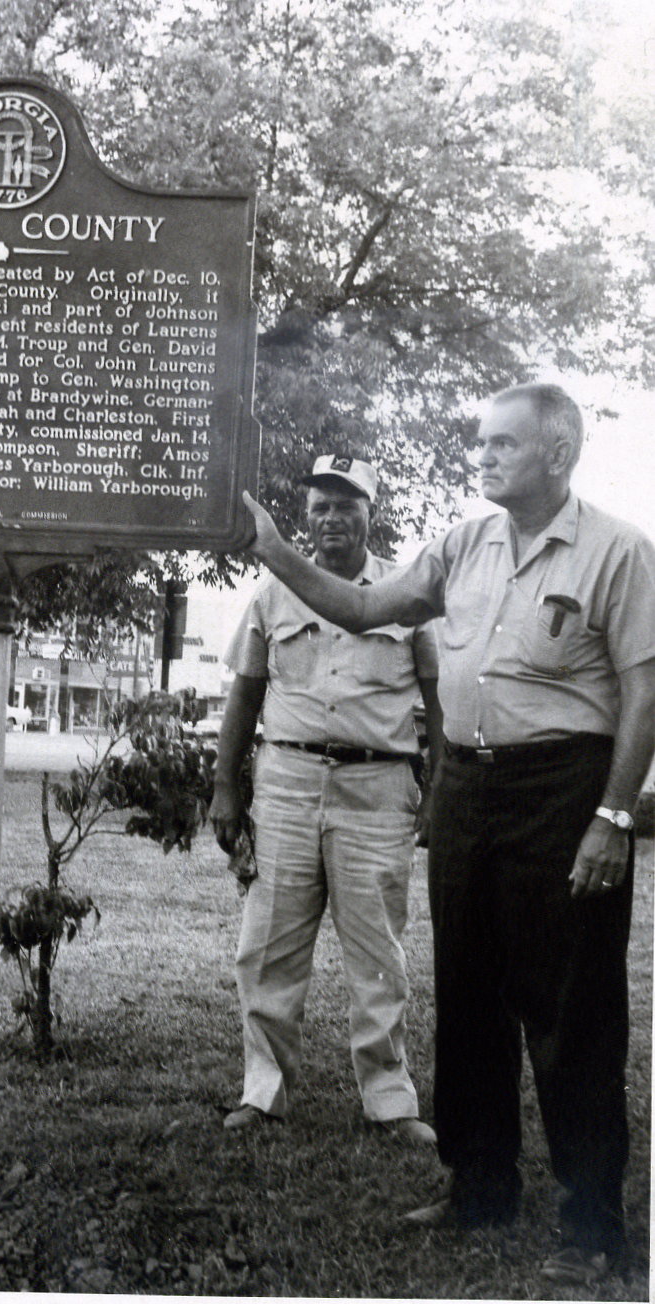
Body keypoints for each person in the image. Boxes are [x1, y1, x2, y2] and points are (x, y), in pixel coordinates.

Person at [239, 384, 655, 1287]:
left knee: (572, 1007)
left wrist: (613, 817)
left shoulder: (620, 552)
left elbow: (644, 693)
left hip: (562, 789)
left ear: (559, 450)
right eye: (482, 443)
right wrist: (273, 549)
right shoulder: (464, 546)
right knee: (467, 992)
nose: (484, 457)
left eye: (503, 444)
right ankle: (479, 1185)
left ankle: (590, 1222)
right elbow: (359, 607)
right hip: (465, 785)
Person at [209, 455, 443, 1145]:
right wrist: (227, 786)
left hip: (378, 787)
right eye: (320, 507)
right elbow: (244, 695)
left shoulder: (406, 592)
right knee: (268, 945)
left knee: (378, 951)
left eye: (348, 505)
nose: (333, 518)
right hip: (286, 781)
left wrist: (437, 793)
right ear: (305, 516)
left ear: (373, 512)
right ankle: (263, 1092)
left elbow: (439, 702)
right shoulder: (270, 592)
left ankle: (390, 1100)